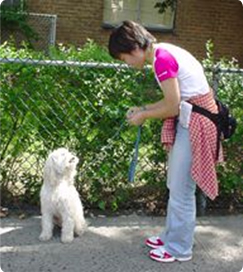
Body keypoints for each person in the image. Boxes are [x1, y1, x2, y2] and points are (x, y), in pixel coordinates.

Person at [108, 20, 223, 263]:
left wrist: (144, 115)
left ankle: (179, 248)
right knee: (176, 185)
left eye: (123, 58)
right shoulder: (162, 53)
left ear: (135, 48)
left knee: (182, 189)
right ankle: (172, 235)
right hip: (190, 120)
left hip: (196, 124)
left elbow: (171, 105)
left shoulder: (161, 60)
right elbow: (174, 101)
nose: (126, 64)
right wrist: (142, 109)